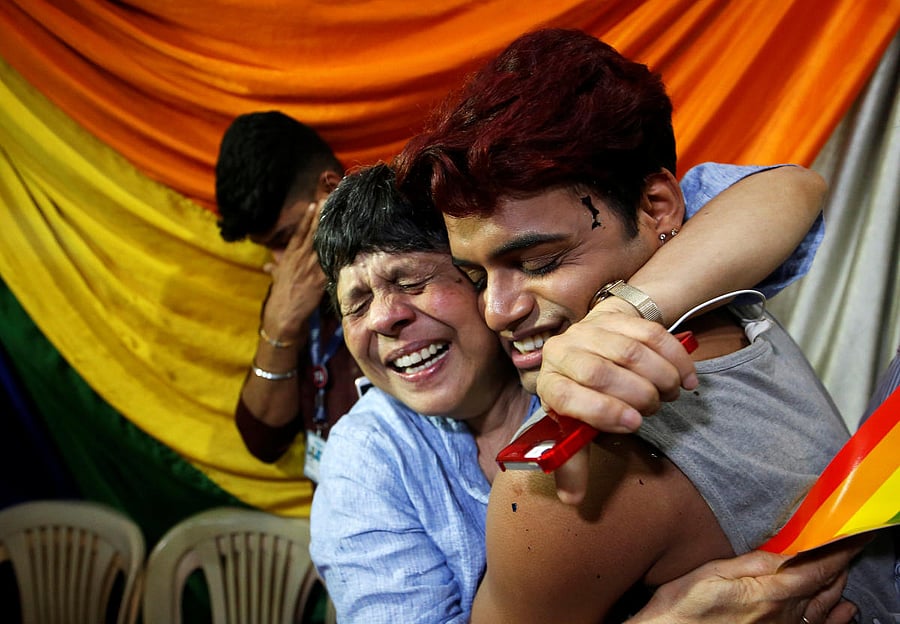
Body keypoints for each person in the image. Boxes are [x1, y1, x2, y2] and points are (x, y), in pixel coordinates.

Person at [394, 28, 899, 621]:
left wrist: (620, 313)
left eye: (539, 263)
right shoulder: (721, 295)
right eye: (477, 277)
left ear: (659, 208)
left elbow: (792, 186)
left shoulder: (556, 488)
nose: (498, 310)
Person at [309, 163, 859, 623]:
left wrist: (620, 313)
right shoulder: (365, 463)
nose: (385, 317)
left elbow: (786, 188)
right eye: (355, 304)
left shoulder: (576, 314)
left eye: (412, 282)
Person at [215, 111, 361, 480]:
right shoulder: (291, 295)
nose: (281, 263)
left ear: (331, 188)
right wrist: (280, 328)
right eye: (269, 247)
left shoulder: (407, 270)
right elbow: (263, 439)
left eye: (287, 237)